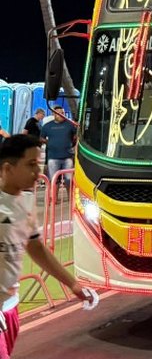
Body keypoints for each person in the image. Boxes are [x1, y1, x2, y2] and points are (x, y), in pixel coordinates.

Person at [0, 135, 96, 357]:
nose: (38, 171)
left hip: (10, 308)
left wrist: (73, 284)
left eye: (39, 163)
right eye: (31, 165)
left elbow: (35, 247)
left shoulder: (25, 200)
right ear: (7, 168)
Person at [40, 106, 76, 187]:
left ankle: (70, 199)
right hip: (53, 158)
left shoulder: (70, 125)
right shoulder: (47, 126)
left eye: (63, 113)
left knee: (69, 182)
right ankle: (53, 199)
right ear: (54, 114)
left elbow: (76, 136)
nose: (62, 115)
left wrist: (73, 145)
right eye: (59, 113)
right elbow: (41, 138)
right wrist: (48, 142)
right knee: (53, 182)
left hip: (68, 158)